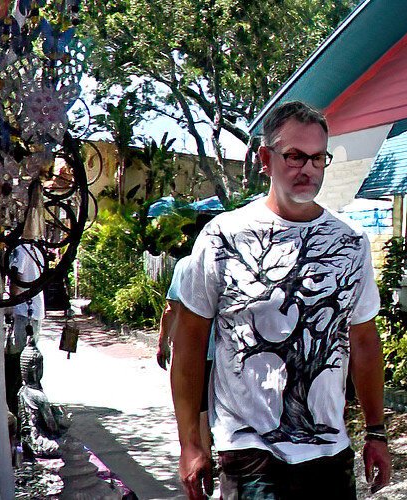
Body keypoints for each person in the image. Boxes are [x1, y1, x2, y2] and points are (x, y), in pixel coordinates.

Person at [169, 101, 390, 499]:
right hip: (250, 453)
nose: (308, 169)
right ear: (265, 159)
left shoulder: (351, 243)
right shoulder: (224, 237)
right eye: (294, 156)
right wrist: (190, 444)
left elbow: (363, 341)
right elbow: (188, 342)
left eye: (318, 158)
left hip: (330, 454)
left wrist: (376, 431)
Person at [157, 213, 215, 370]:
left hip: (191, 350)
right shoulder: (235, 267)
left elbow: (172, 309)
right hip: (226, 355)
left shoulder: (184, 265)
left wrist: (163, 343)